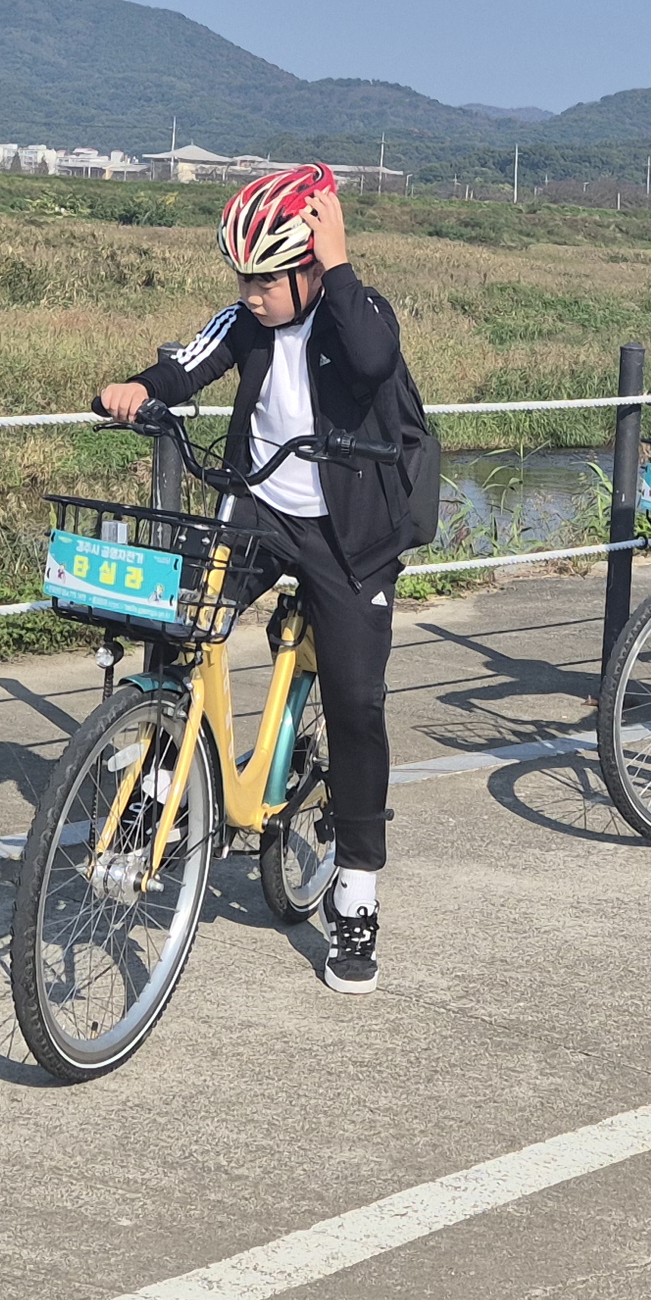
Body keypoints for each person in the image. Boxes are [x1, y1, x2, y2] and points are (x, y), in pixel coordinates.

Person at [97, 166, 442, 991]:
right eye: (242, 277)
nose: (251, 294)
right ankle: (159, 778)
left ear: (310, 268)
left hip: (350, 533)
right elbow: (190, 362)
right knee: (178, 623)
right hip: (259, 512)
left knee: (357, 701)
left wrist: (342, 262)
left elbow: (372, 358)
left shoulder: (358, 313)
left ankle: (356, 893)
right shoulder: (246, 322)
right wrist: (140, 388)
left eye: (267, 278)